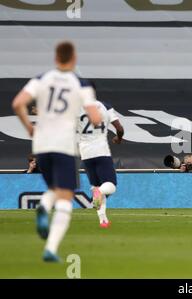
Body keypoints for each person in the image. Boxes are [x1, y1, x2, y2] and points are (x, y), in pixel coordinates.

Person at [12, 41, 102, 262]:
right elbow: (96, 117)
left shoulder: (41, 79)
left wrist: (30, 128)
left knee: (54, 187)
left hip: (41, 143)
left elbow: (17, 104)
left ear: (55, 58)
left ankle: (44, 206)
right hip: (64, 144)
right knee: (65, 195)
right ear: (74, 58)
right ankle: (51, 249)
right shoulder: (81, 84)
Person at [77, 81, 124, 228]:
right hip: (101, 151)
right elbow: (119, 128)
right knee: (110, 186)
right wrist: (119, 137)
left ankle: (103, 220)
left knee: (96, 186)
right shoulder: (105, 106)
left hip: (85, 153)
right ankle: (99, 192)